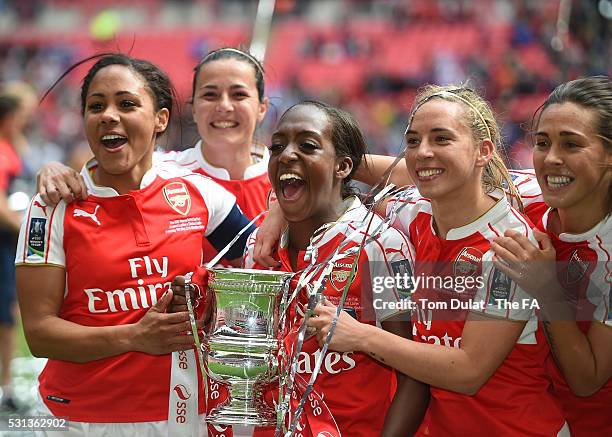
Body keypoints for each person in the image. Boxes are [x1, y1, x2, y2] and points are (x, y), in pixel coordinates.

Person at [305, 85, 568, 436]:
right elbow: (349, 184)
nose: (422, 152)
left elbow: (468, 371)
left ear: (483, 151)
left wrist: (361, 336)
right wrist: (279, 207)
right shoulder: (413, 214)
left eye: (441, 139)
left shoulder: (510, 246)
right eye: (413, 141)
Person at [15, 53, 254, 436]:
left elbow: (266, 262)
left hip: (182, 414)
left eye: (126, 104)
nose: (109, 115)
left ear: (160, 119)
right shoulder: (51, 207)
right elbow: (40, 333)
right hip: (79, 420)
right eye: (96, 106)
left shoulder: (199, 193)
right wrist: (134, 337)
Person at [241, 101, 428, 437]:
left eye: (308, 146)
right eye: (278, 146)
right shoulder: (259, 247)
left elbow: (414, 377)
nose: (286, 155)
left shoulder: (379, 245)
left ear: (343, 166)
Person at [36, 47, 272, 266]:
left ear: (262, 107)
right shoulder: (163, 172)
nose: (224, 106)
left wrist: (281, 211)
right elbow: (104, 170)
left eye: (239, 95)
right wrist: (53, 169)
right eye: (210, 95)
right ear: (193, 108)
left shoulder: (289, 178)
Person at [491, 76, 612, 437]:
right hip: (521, 421)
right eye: (542, 143)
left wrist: (548, 290)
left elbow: (587, 379)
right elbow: (434, 174)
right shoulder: (525, 194)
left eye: (571, 145)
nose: (551, 159)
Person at [0, 94, 24, 413]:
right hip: (3, 242)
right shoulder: (3, 152)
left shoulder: (10, 146)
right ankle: (5, 386)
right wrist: (27, 230)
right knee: (4, 318)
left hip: (6, 243)